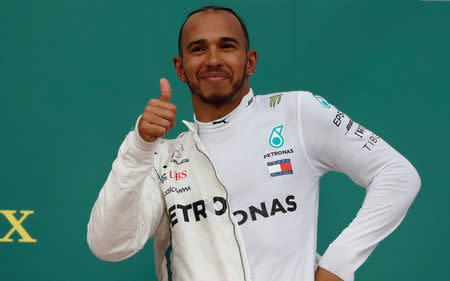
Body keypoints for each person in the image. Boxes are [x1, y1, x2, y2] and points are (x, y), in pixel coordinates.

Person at [87, 5, 421, 281]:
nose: (213, 58)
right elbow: (108, 245)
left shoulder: (297, 112)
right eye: (198, 48)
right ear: (181, 68)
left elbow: (397, 175)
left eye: (227, 46)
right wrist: (139, 145)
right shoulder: (162, 157)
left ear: (251, 62)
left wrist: (337, 265)